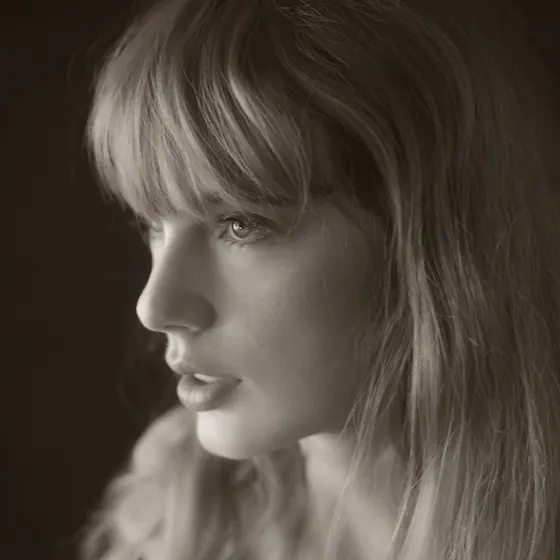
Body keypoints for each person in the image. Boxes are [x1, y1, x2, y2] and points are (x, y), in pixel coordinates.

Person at [79, 0, 560, 558]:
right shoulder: (172, 521)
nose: (154, 307)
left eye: (241, 224)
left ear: (431, 240)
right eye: (152, 223)